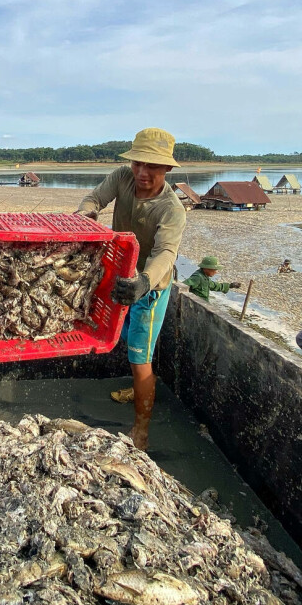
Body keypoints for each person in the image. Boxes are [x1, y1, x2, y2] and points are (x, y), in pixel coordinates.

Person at [77, 127, 187, 450]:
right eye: (138, 162)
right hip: (119, 276)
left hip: (149, 288)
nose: (142, 172)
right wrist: (86, 215)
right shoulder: (122, 177)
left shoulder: (172, 209)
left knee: (141, 357)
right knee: (121, 338)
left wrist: (143, 282)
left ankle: (141, 430)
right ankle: (139, 386)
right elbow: (94, 198)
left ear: (166, 169)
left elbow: (165, 254)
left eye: (152, 166)